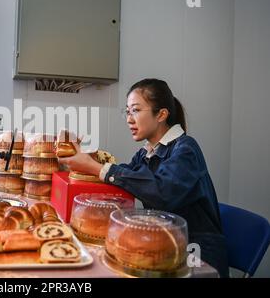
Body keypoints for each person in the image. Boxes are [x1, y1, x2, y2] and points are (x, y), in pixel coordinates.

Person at [58, 78, 229, 277]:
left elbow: (162, 192)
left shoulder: (186, 149)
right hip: (163, 246)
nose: (129, 119)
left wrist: (94, 167)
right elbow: (125, 179)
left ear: (161, 115)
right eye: (128, 111)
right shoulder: (145, 154)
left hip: (196, 253)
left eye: (136, 110)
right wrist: (82, 162)